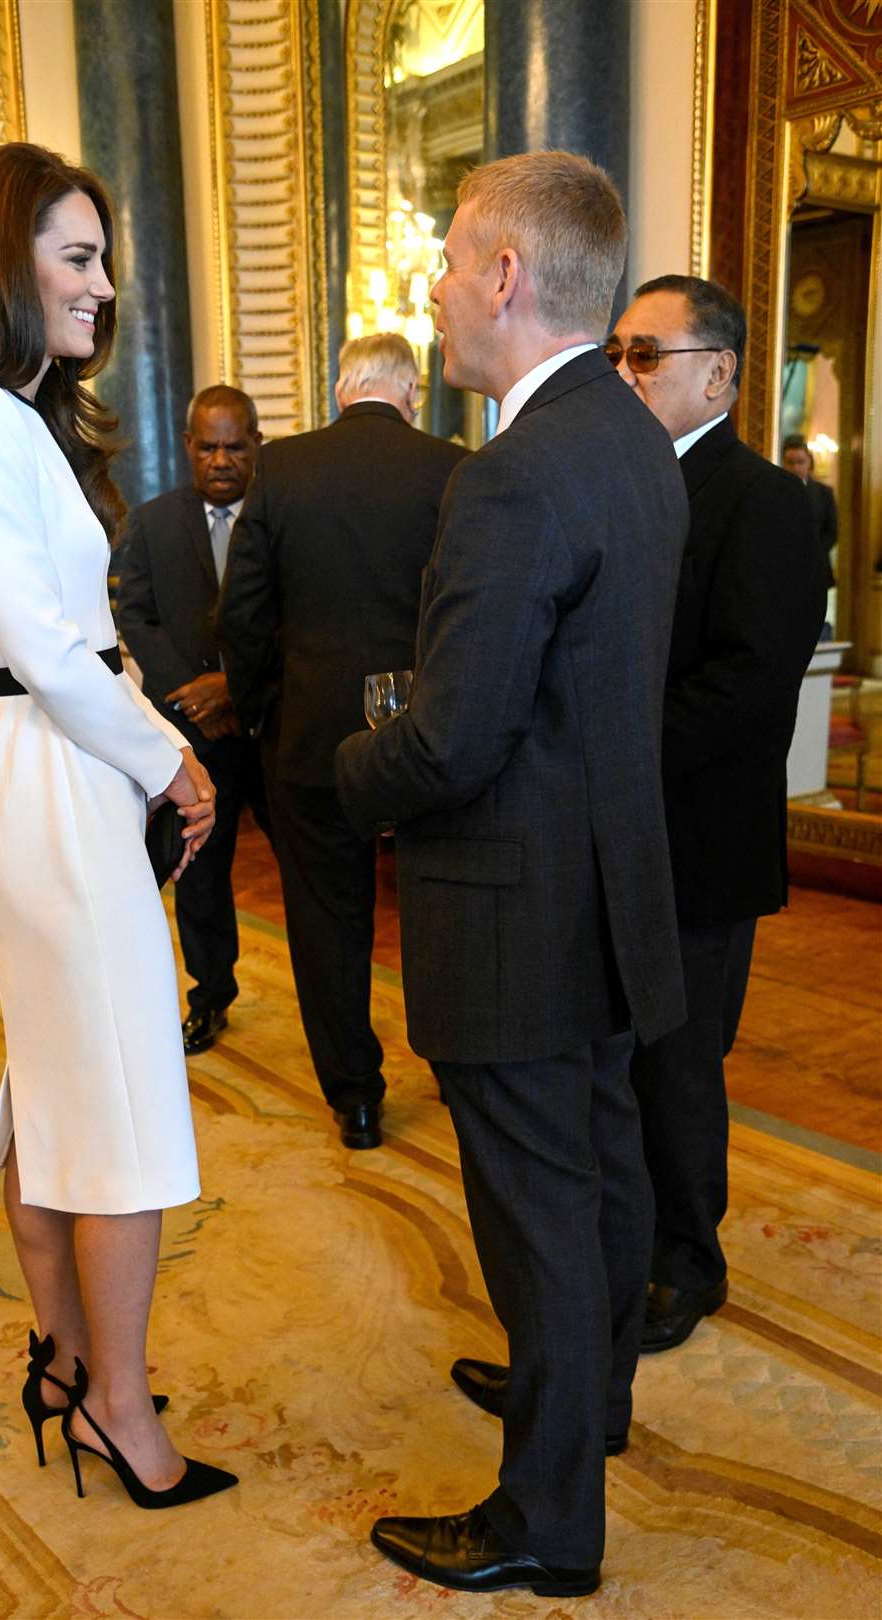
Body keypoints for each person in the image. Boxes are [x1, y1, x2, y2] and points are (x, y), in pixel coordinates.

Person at [335, 153, 689, 1596]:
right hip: (609, 886)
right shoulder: (633, 436)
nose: (430, 292)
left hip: (519, 909)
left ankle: (546, 1520)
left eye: (446, 261)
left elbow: (456, 737)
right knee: (600, 1180)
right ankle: (586, 1403)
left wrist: (345, 774)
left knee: (539, 1215)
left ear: (504, 278)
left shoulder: (514, 475)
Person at [0, 141, 236, 1511]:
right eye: (75, 259)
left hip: (59, 756)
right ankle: (117, 1411)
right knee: (121, 1102)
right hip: (60, 755)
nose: (101, 287)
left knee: (57, 1086)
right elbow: (40, 639)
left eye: (100, 259)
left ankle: (68, 1365)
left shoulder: (1, 415)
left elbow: (59, 641)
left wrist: (147, 749)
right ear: (0, 263)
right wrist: (171, 764)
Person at [606, 276, 825, 1351]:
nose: (625, 373)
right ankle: (634, 1238)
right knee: (621, 1056)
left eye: (647, 355)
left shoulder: (767, 503)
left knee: (680, 1061)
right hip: (610, 835)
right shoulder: (617, 483)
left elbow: (748, 686)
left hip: (698, 838)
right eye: (619, 354)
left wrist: (607, 752)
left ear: (721, 373)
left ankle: (688, 1264)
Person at [217, 332, 467, 1149]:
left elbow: (244, 614)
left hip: (312, 740)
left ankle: (355, 1097)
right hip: (427, 737)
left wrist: (257, 711)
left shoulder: (283, 468)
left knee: (327, 919)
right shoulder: (452, 467)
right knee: (436, 910)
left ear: (339, 391)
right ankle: (459, 1072)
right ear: (411, 391)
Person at [116, 385, 270, 1055]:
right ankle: (210, 995)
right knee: (201, 874)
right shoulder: (150, 525)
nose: (220, 460)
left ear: (256, 444)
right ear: (187, 446)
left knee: (311, 869)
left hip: (269, 722)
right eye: (207, 446)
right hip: (194, 733)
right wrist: (188, 688)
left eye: (235, 446)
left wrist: (234, 686)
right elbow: (133, 617)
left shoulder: (280, 516)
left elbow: (301, 614)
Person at [782, 431, 837, 597]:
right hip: (784, 566)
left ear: (809, 462)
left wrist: (813, 551)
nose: (795, 468)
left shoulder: (824, 493)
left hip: (817, 566)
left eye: (800, 462)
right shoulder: (774, 491)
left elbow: (833, 531)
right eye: (790, 463)